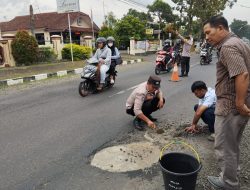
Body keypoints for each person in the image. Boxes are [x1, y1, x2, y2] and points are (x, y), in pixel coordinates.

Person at [203, 15, 250, 190]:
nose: (207, 37)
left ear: (221, 28)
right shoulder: (240, 43)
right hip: (240, 103)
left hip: (231, 105)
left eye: (209, 32)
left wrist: (239, 103)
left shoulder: (228, 47)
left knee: (224, 146)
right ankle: (231, 174)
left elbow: (242, 74)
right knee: (233, 143)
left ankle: (229, 183)